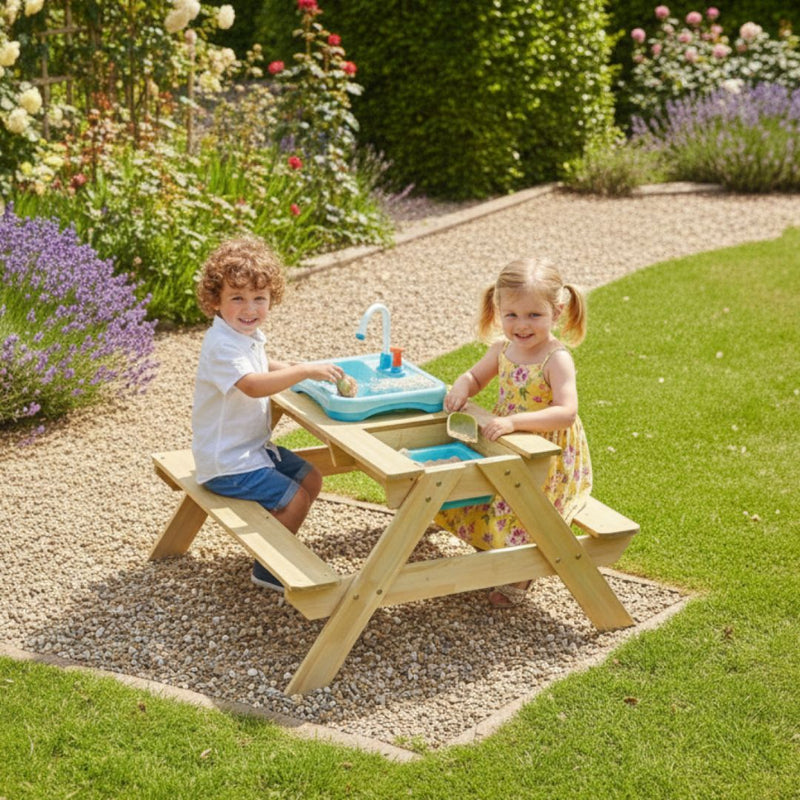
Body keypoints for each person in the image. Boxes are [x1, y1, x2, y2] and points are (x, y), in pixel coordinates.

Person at [436, 257, 592, 607]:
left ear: (557, 312)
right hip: (506, 443)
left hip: (548, 457)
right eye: (512, 315)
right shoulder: (502, 349)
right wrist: (462, 386)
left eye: (534, 315)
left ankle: (522, 574)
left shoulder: (556, 358)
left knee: (523, 507)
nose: (522, 325)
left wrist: (514, 422)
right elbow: (474, 377)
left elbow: (566, 413)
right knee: (476, 491)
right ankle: (495, 552)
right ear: (498, 310)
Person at [191, 237, 344, 592]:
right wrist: (302, 371)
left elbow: (258, 364)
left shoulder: (242, 335)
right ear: (215, 301)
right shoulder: (222, 345)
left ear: (271, 298)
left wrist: (288, 366)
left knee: (311, 478)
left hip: (249, 450)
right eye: (237, 298)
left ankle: (276, 539)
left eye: (259, 298)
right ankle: (269, 568)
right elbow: (252, 384)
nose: (250, 308)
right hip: (227, 463)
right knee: (295, 498)